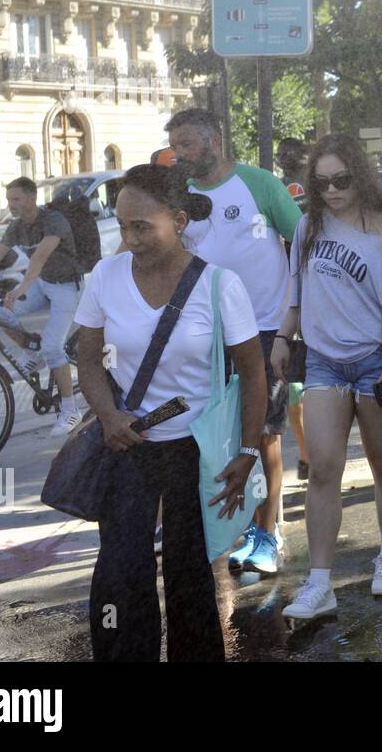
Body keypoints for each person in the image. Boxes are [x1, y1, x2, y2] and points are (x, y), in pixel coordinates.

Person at [75, 164, 267, 661]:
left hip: (194, 448)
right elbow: (88, 358)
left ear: (179, 220)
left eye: (143, 226)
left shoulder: (219, 285)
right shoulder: (105, 277)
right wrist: (108, 416)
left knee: (188, 571)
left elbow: (253, 372)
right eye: (123, 226)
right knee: (121, 570)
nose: (131, 238)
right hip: (129, 443)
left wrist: (248, 452)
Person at [271, 135, 382, 618]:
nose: (332, 191)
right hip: (322, 360)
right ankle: (319, 584)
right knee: (322, 467)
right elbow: (295, 290)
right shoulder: (309, 227)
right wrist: (282, 336)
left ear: (360, 175)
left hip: (378, 358)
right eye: (321, 184)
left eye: (341, 180)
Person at [166, 108, 303, 575]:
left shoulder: (259, 184)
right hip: (206, 336)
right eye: (175, 146)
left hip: (264, 331)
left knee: (264, 434)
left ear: (214, 141)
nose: (179, 154)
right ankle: (239, 528)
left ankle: (269, 534)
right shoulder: (178, 196)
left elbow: (303, 242)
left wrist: (295, 320)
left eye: (186, 144)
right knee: (220, 436)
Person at [0, 177, 84, 437]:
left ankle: (70, 410)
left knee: (52, 346)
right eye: (8, 199)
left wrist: (20, 290)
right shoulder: (17, 227)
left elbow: (39, 258)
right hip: (42, 282)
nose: (10, 204)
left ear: (31, 198)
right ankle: (32, 354)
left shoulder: (53, 220)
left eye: (15, 199)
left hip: (65, 286)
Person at [276, 137, 311, 480]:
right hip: (290, 288)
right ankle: (306, 453)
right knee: (297, 384)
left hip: (303, 286)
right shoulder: (278, 186)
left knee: (300, 382)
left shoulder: (309, 182)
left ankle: (308, 453)